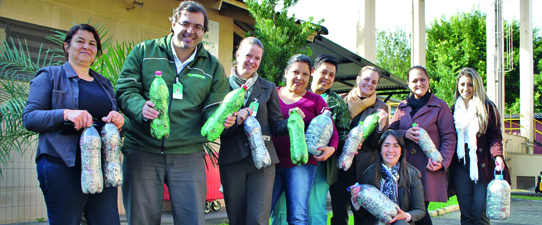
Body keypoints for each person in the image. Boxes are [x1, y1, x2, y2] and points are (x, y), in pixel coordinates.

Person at [115, 1, 234, 224]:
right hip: (142, 149)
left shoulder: (212, 67)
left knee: (192, 219)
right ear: (173, 23)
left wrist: (220, 120)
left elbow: (214, 106)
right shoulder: (144, 51)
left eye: (198, 27)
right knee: (141, 220)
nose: (191, 31)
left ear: (204, 32)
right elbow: (125, 88)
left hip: (187, 153)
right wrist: (139, 106)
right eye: (185, 23)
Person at [22, 24, 124, 224]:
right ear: (67, 46)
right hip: (61, 164)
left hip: (102, 167)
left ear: (97, 52)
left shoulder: (104, 84)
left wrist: (119, 122)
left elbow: (114, 126)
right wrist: (66, 113)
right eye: (80, 41)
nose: (86, 46)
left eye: (92, 43)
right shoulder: (50, 76)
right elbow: (30, 118)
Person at [271, 54, 351, 225]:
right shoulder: (273, 94)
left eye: (305, 74)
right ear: (286, 73)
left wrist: (333, 148)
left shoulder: (315, 100)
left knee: (298, 217)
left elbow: (332, 128)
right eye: (295, 72)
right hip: (271, 163)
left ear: (310, 75)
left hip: (302, 165)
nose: (300, 77)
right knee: (265, 212)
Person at [218, 37, 289, 225]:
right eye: (248, 55)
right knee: (236, 218)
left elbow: (276, 124)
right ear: (238, 54)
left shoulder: (268, 87)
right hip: (232, 160)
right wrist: (236, 122)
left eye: (257, 58)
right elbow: (215, 128)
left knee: (258, 219)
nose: (252, 61)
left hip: (263, 163)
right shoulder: (220, 87)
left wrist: (291, 123)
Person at [389, 66, 457, 225]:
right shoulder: (402, 106)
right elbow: (390, 132)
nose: (419, 83)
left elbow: (449, 137)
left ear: (428, 81)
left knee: (419, 212)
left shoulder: (440, 106)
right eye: (414, 80)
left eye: (422, 79)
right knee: (410, 213)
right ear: (408, 84)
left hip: (427, 169)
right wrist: (405, 133)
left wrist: (443, 161)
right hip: (404, 169)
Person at [450, 67, 511, 225]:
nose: (466, 88)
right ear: (458, 85)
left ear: (476, 85)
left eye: (470, 84)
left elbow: (495, 135)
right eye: (462, 84)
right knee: (466, 214)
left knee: (479, 212)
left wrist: (497, 156)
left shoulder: (487, 107)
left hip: (482, 165)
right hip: (461, 165)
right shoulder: (453, 110)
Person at [333, 66, 389, 225]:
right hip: (339, 165)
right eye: (366, 79)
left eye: (374, 82)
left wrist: (381, 125)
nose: (369, 84)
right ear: (358, 79)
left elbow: (375, 144)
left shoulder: (380, 107)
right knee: (338, 213)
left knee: (363, 215)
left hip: (363, 168)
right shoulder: (342, 100)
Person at [350, 130, 426, 225]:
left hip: (400, 222)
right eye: (386, 145)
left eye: (396, 146)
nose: (391, 150)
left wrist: (405, 215)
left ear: (401, 151)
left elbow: (420, 209)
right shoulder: (369, 173)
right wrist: (355, 200)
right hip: (376, 222)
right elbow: (362, 215)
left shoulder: (412, 174)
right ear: (380, 150)